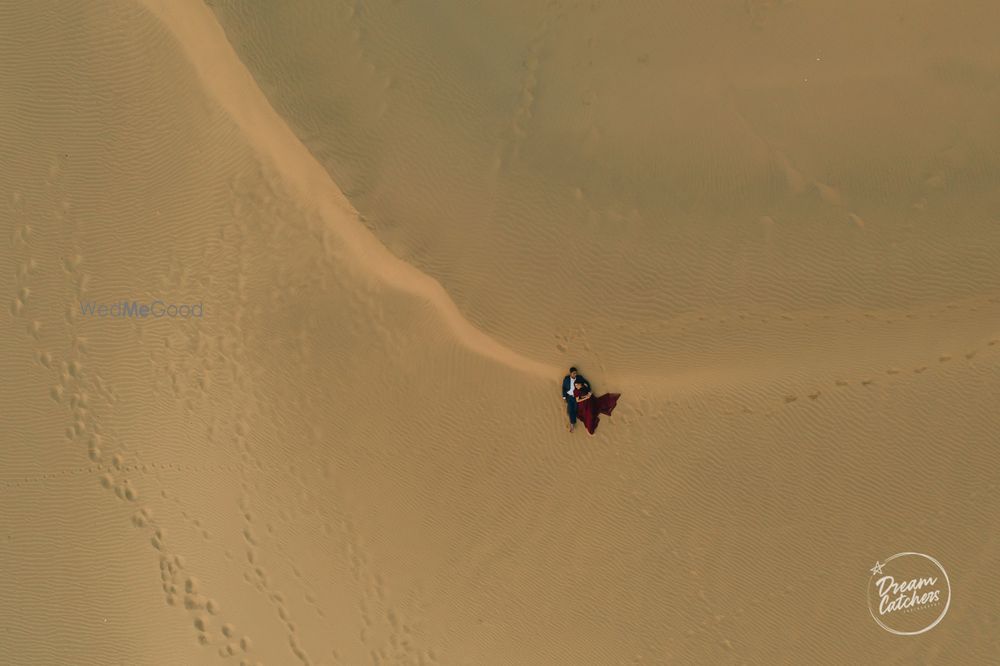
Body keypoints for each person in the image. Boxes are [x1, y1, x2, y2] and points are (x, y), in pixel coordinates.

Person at [561, 366, 590, 432]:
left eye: (576, 373)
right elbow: (563, 388)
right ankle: (572, 424)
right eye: (574, 373)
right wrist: (564, 397)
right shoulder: (566, 379)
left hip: (577, 396)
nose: (575, 374)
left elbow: (586, 383)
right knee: (571, 410)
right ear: (570, 373)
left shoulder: (579, 377)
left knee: (575, 410)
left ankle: (572, 418)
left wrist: (589, 391)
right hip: (570, 397)